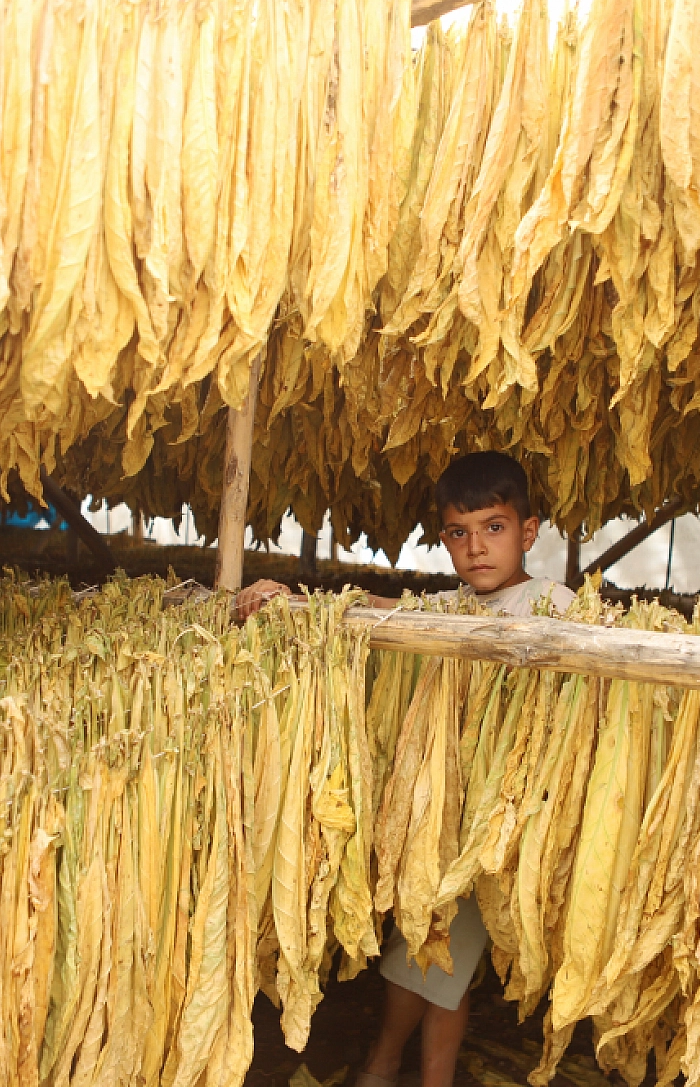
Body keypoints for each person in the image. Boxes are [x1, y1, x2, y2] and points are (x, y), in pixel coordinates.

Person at [236, 451, 575, 1087]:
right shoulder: (449, 604)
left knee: (437, 950)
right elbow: (373, 604)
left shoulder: (555, 604)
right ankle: (393, 1063)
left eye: (494, 528)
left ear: (528, 532)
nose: (476, 548)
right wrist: (292, 597)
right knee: (426, 943)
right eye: (458, 533)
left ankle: (399, 1068)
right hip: (442, 817)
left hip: (500, 823)